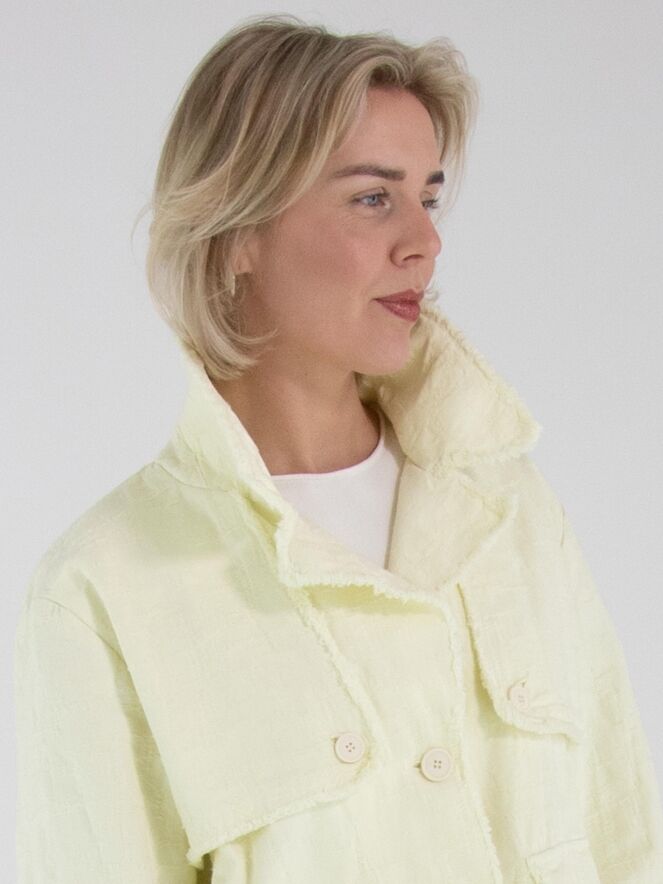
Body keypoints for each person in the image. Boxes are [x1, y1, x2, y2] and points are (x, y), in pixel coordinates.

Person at [14, 13, 663, 884]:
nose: (425, 241)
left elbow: (625, 840)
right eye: (372, 198)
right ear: (237, 230)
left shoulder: (509, 510)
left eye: (428, 197)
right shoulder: (107, 583)